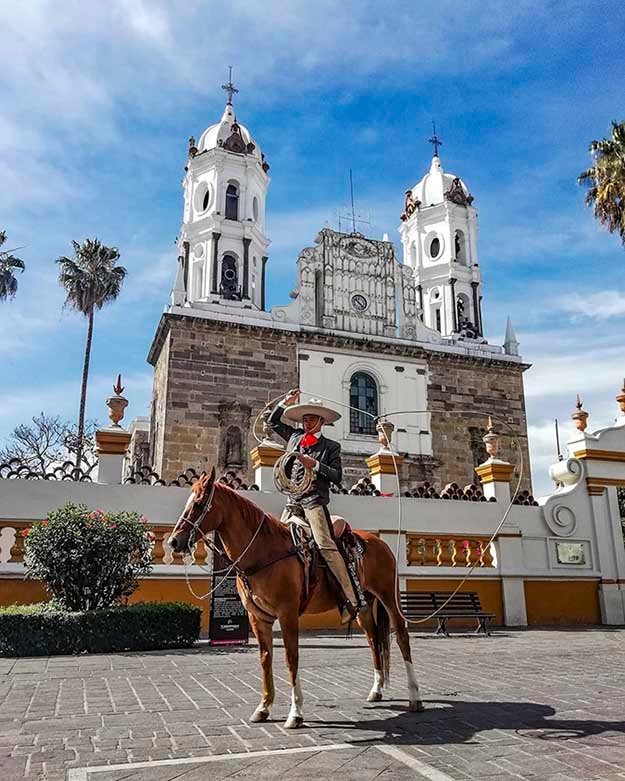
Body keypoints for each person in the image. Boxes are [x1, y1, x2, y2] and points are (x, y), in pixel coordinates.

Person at [268, 389, 360, 624]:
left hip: (313, 502)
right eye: (305, 418)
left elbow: (337, 476)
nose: (307, 422)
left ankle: (350, 599)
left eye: (312, 418)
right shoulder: (294, 438)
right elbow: (272, 421)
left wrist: (315, 465)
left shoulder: (331, 447)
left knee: (325, 545)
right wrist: (285, 402)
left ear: (321, 422)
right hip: (292, 502)